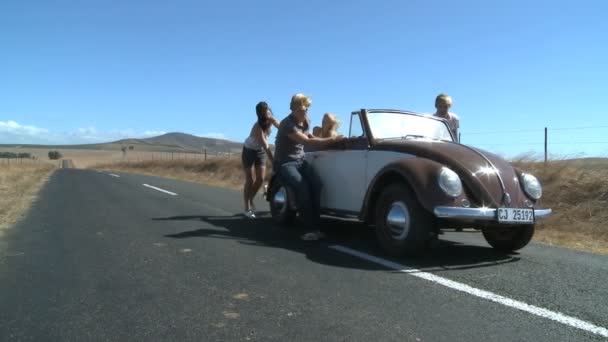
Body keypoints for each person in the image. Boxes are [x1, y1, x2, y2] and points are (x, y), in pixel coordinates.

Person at [274, 93, 344, 240]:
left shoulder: (305, 121)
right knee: (303, 187)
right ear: (293, 108)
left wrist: (331, 140)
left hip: (300, 161)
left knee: (318, 185)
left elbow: (312, 138)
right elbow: (308, 142)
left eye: (306, 109)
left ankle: (316, 224)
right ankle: (309, 229)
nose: (304, 111)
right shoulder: (288, 124)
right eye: (301, 109)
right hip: (285, 163)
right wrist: (332, 139)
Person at [241, 101, 280, 218]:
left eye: (267, 110)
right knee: (250, 179)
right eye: (264, 112)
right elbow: (266, 146)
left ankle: (251, 198)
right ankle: (247, 207)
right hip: (249, 150)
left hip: (260, 151)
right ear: (260, 114)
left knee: (260, 179)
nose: (267, 113)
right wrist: (274, 162)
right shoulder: (258, 127)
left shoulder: (271, 120)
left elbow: (282, 128)